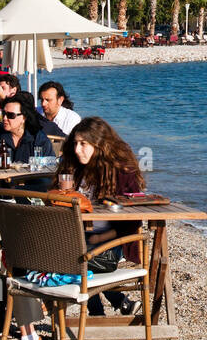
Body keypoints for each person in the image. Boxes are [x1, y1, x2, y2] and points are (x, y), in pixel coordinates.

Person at [53, 116, 144, 317]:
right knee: (62, 252)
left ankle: (96, 312)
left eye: (84, 144)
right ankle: (118, 303)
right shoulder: (73, 168)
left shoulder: (120, 172)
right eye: (75, 144)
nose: (77, 150)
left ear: (100, 145)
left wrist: (99, 237)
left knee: (73, 259)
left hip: (112, 240)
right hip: (80, 237)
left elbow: (131, 218)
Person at [0, 92, 52, 166]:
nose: (4, 118)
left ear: (24, 118)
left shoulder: (38, 138)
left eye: (11, 115)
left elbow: (50, 165)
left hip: (32, 177)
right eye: (3, 113)